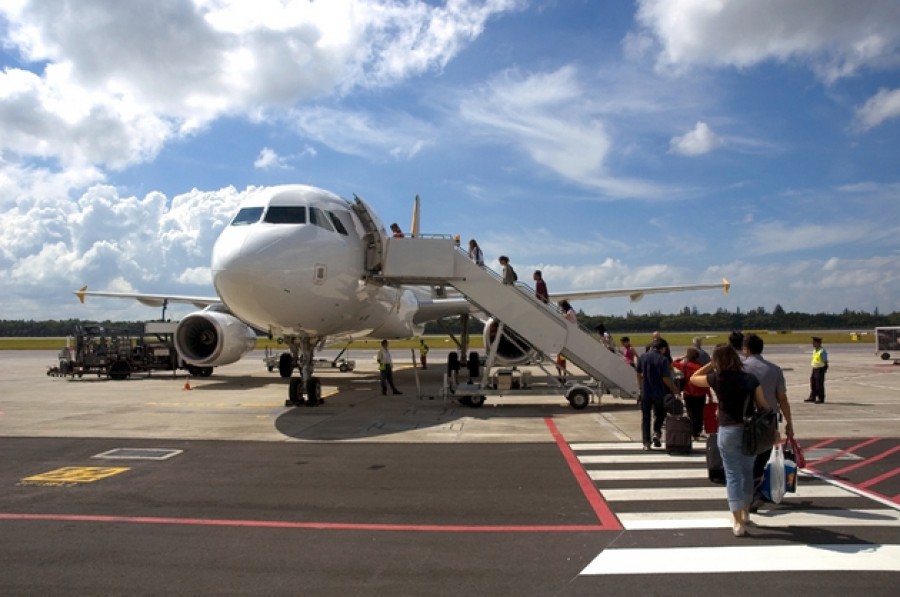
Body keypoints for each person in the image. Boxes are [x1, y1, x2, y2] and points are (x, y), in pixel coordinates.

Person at [691, 344, 769, 537]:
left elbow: (693, 378)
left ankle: (737, 522)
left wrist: (710, 364)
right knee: (747, 473)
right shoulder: (750, 379)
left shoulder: (717, 378)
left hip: (727, 431)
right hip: (749, 432)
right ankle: (746, 513)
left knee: (732, 476)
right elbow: (764, 406)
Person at [742, 333, 795, 510]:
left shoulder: (741, 368)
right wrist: (789, 423)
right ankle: (756, 493)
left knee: (745, 459)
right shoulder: (774, 369)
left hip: (745, 420)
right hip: (768, 421)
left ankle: (748, 495)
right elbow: (782, 399)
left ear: (746, 349)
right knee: (762, 459)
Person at [636, 337, 680, 451]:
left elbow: (638, 373)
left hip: (646, 391)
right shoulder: (663, 359)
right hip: (659, 392)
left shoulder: (643, 357)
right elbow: (665, 378)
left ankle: (646, 443)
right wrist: (674, 389)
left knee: (646, 417)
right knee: (660, 414)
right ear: (663, 348)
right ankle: (656, 432)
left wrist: (640, 387)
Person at [673, 347, 712, 440]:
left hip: (689, 392)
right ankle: (697, 431)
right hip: (700, 393)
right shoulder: (700, 367)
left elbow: (674, 363)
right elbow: (705, 382)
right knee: (699, 414)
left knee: (691, 413)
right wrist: (709, 394)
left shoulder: (685, 366)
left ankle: (692, 431)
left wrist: (682, 357)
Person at [805, 336, 828, 403]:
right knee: (813, 383)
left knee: (819, 384)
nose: (812, 343)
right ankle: (813, 397)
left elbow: (825, 361)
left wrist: (824, 369)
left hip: (820, 369)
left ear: (818, 343)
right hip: (814, 368)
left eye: (814, 342)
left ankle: (821, 398)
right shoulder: (815, 350)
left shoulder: (822, 351)